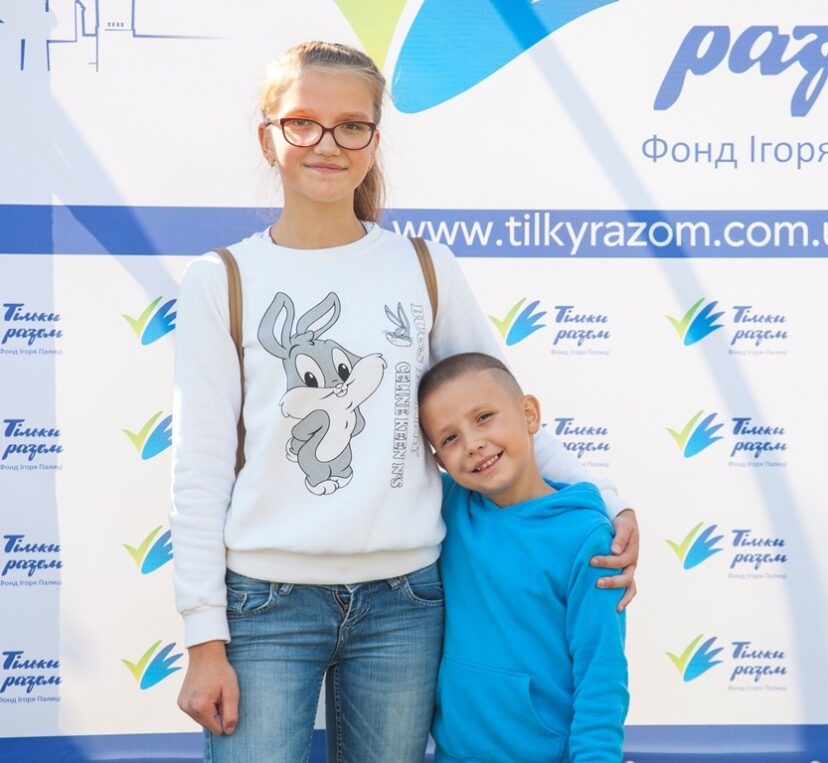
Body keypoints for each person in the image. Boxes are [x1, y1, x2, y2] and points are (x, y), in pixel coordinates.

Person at [169, 41, 638, 763]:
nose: (328, 143)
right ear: (268, 139)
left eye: (351, 125)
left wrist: (607, 502)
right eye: (303, 123)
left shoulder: (423, 267)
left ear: (374, 140)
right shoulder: (220, 279)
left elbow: (498, 407)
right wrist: (204, 637)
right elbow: (199, 470)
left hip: (405, 605)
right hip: (265, 606)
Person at [418, 353, 628, 763]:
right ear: (439, 461)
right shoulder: (447, 506)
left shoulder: (586, 537)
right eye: (450, 438)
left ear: (529, 414)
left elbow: (601, 672)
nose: (473, 444)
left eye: (483, 417)